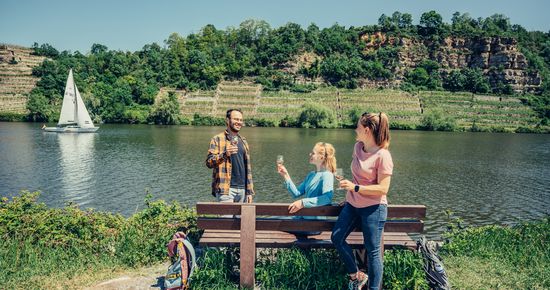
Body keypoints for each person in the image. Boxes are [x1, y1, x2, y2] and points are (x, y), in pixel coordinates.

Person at [331, 112, 393, 290]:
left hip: (374, 208)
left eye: (357, 126)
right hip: (352, 204)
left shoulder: (383, 156)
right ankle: (356, 275)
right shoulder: (358, 147)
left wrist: (355, 188)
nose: (355, 129)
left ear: (366, 130)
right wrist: (348, 193)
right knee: (337, 237)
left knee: (373, 252)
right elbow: (356, 176)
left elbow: (383, 189)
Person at [205, 109, 254, 203]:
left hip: (243, 190)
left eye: (241, 120)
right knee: (227, 218)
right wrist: (224, 154)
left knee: (241, 218)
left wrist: (249, 191)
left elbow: (248, 168)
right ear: (227, 120)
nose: (239, 122)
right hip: (226, 190)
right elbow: (209, 163)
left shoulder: (243, 141)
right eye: (236, 119)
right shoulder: (217, 139)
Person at [277, 142, 336, 216]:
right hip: (303, 218)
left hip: (314, 221)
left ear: (321, 157)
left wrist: (302, 203)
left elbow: (327, 198)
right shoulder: (311, 174)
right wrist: (286, 175)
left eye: (313, 153)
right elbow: (296, 193)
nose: (310, 154)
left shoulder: (327, 175)